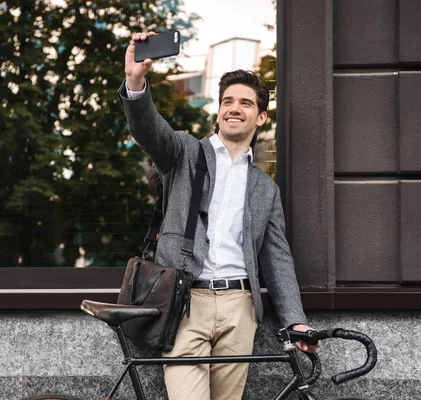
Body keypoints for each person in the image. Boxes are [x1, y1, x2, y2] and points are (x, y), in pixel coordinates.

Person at [119, 31, 320, 400]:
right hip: (185, 304)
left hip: (239, 308)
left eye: (245, 103)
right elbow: (148, 129)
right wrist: (136, 81)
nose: (233, 107)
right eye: (227, 100)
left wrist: (295, 319)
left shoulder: (265, 188)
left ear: (260, 118)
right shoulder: (184, 152)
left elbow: (277, 257)